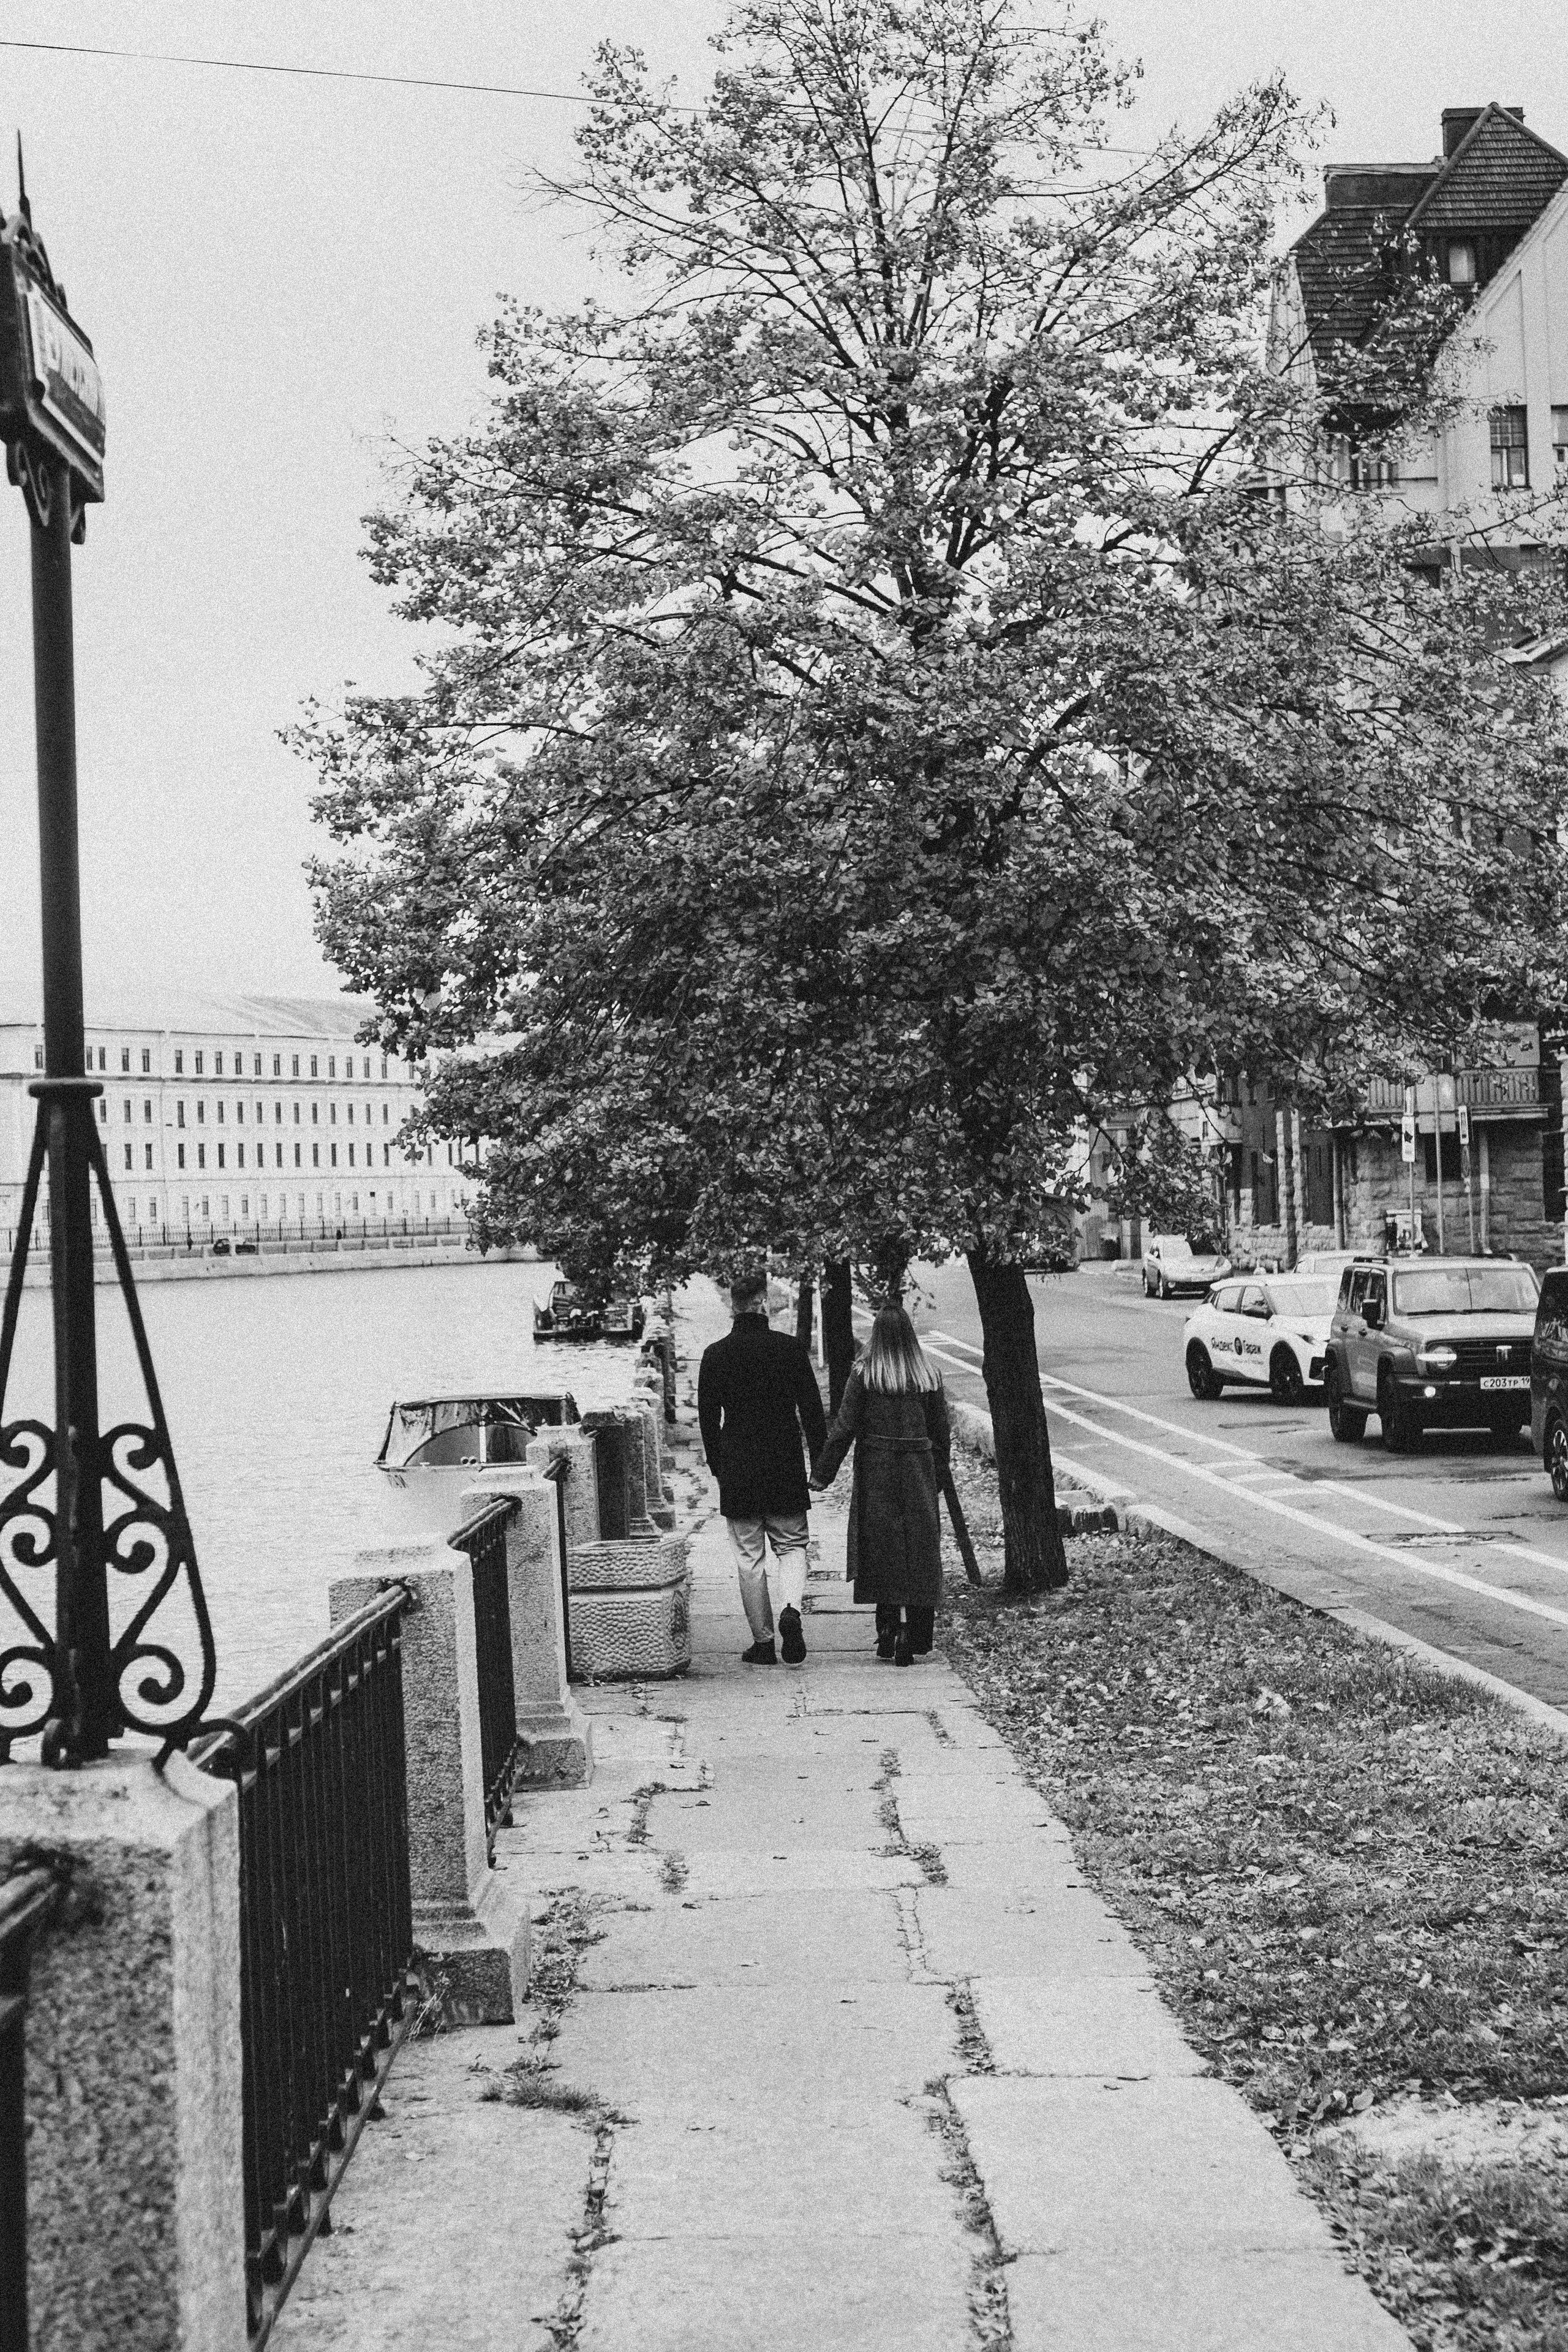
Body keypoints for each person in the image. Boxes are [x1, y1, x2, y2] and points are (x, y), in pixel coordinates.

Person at [698, 1267, 828, 1666]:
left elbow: (708, 1420)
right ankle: (791, 1608)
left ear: (734, 1308)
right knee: (792, 1546)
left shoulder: (715, 1355)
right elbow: (812, 1411)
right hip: (784, 1462)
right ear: (762, 1305)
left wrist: (718, 1466)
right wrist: (820, 1465)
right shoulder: (790, 1350)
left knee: (749, 1557)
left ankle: (764, 1643)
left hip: (738, 1466)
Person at [810, 1302, 950, 1667]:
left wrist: (822, 1474)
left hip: (877, 1472)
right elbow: (941, 1435)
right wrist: (936, 1476)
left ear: (876, 1335)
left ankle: (887, 1630)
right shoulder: (929, 1376)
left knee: (881, 1548)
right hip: (918, 1471)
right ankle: (915, 1635)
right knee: (917, 1550)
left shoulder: (865, 1375)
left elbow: (844, 1428)